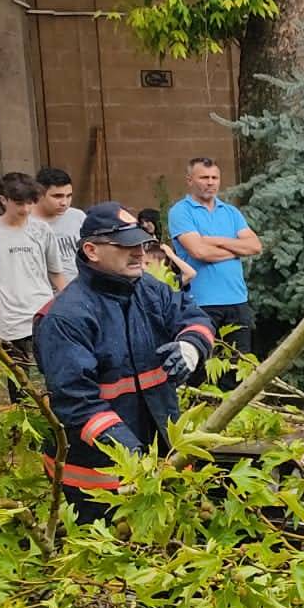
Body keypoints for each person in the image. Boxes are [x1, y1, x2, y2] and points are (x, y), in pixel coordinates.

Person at [36, 203, 217, 524]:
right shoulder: (65, 318)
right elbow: (77, 404)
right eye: (126, 246)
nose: (139, 253)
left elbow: (195, 318)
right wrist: (132, 454)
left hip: (159, 456)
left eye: (142, 244)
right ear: (91, 250)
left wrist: (191, 346)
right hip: (96, 477)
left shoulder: (150, 290)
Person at [0, 173, 69, 386]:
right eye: (19, 203)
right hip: (7, 318)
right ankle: (20, 416)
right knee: (18, 380)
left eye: (30, 203)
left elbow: (56, 271)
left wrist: (70, 302)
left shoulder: (42, 230)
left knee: (53, 372)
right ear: (3, 200)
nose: (25, 209)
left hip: (42, 312)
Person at [169, 156, 263, 363]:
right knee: (203, 366)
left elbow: (255, 246)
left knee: (238, 365)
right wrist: (237, 249)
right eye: (204, 177)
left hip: (237, 300)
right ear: (189, 180)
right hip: (201, 303)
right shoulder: (180, 212)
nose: (210, 182)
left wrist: (217, 240)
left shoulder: (231, 212)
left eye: (214, 177)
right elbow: (199, 252)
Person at [33, 167, 87, 282]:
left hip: (81, 288)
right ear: (39, 194)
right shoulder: (27, 223)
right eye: (57, 196)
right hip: (46, 292)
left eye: (69, 196)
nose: (64, 203)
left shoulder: (78, 216)